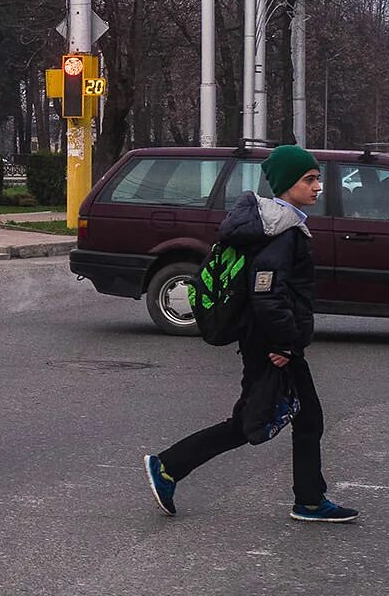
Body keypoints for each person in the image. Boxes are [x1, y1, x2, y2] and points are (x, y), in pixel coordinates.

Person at [145, 145, 358, 523]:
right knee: (260, 423)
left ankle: (307, 498)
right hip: (271, 343)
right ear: (286, 184)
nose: (317, 186)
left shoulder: (279, 225)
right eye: (308, 180)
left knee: (281, 420)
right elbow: (267, 291)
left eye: (316, 178)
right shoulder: (281, 232)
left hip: (268, 341)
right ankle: (170, 466)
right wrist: (283, 344)